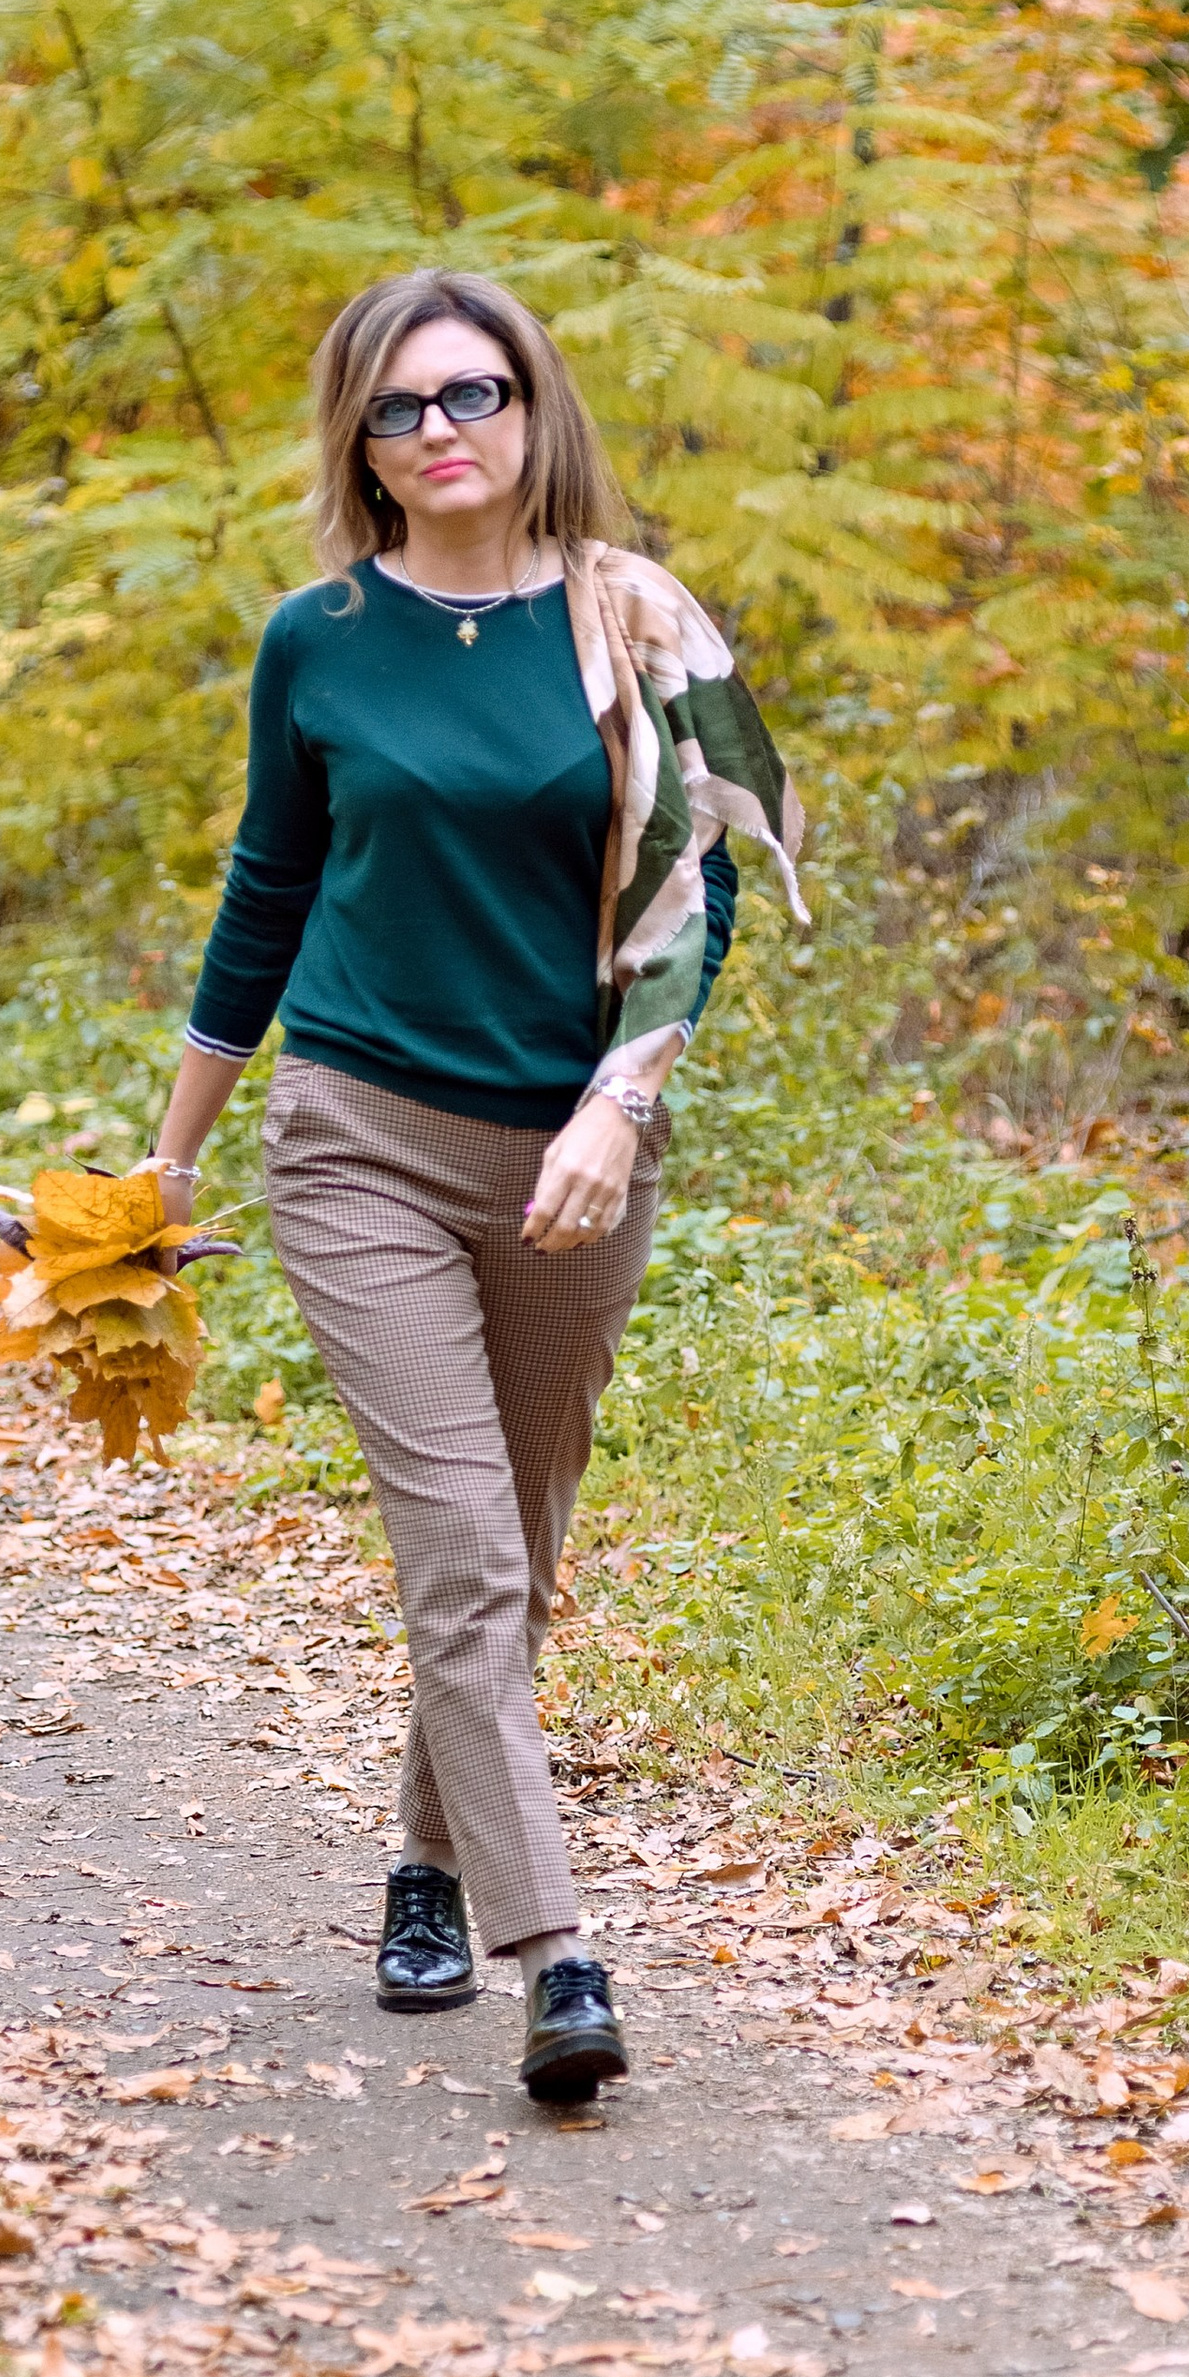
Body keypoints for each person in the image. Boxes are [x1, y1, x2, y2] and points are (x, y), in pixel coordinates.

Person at [142, 269, 802, 2102]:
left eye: (473, 396)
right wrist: (171, 1153)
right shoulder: (320, 638)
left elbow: (698, 892)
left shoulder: (632, 624)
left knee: (516, 1552)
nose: (442, 433)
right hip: (362, 1138)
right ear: (357, 441)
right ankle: (558, 1954)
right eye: (399, 409)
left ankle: (428, 1866)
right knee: (462, 1556)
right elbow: (268, 887)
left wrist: (618, 1100)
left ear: (532, 408)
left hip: (578, 1154)